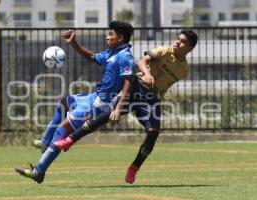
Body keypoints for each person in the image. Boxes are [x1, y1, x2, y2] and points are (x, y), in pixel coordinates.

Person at [55, 29, 198, 184]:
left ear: (190, 48)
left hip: (152, 98)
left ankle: (134, 168)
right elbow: (142, 62)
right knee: (107, 116)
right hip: (137, 87)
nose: (177, 42)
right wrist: (148, 74)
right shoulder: (164, 51)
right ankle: (69, 140)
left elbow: (163, 84)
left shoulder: (184, 70)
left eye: (182, 41)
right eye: (178, 39)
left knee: (153, 132)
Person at [15, 21, 134, 183]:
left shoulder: (125, 56)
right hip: (93, 96)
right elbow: (92, 57)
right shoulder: (112, 52)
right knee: (64, 103)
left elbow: (128, 82)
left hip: (98, 106)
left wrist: (118, 109)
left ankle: (39, 171)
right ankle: (45, 142)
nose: (107, 37)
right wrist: (73, 42)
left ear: (120, 38)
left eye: (111, 35)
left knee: (61, 133)